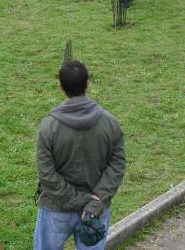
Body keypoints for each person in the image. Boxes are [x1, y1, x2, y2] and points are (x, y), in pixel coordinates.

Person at [34, 60, 126, 250]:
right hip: (96, 211)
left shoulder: (48, 127)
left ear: (60, 87)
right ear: (87, 84)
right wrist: (94, 202)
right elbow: (117, 166)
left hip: (55, 208)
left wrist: (77, 199)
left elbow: (46, 174)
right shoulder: (110, 123)